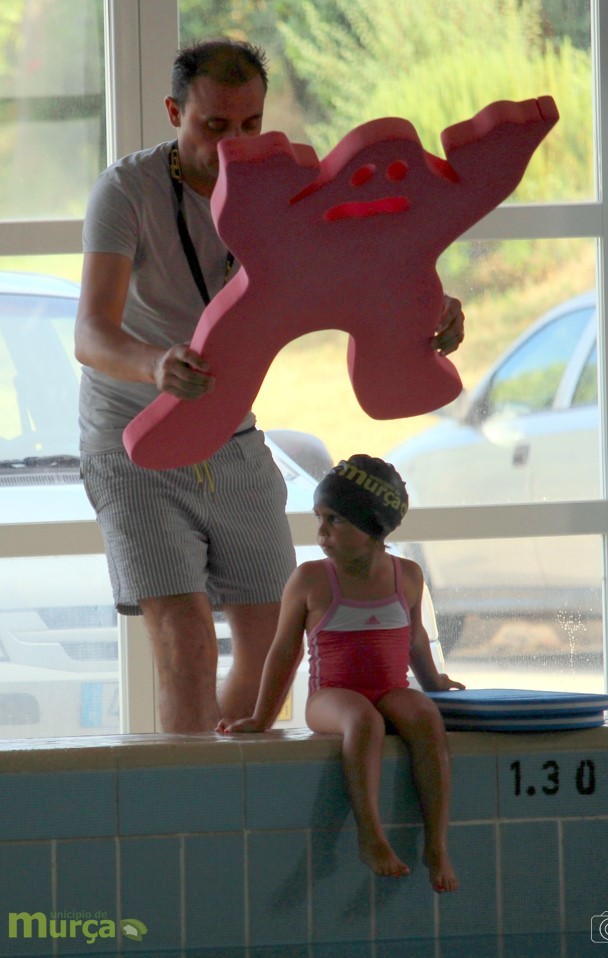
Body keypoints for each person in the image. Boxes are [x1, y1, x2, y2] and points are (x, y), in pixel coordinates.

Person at [74, 38, 466, 735]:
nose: (234, 143)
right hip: (134, 441)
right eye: (214, 126)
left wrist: (430, 310)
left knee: (271, 645)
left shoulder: (282, 187)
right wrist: (157, 365)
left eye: (250, 124)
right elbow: (90, 334)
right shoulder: (126, 191)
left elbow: (363, 270)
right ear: (174, 112)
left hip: (231, 437)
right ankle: (195, 795)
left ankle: (224, 778)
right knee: (187, 641)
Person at [223, 455, 465, 892]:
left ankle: (437, 844)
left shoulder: (407, 576)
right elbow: (284, 652)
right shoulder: (311, 579)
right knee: (363, 720)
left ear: (374, 525)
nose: (321, 533)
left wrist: (435, 685)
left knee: (427, 718)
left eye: (334, 520)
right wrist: (262, 717)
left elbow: (415, 640)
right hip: (331, 696)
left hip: (390, 689)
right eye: (319, 518)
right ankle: (370, 837)